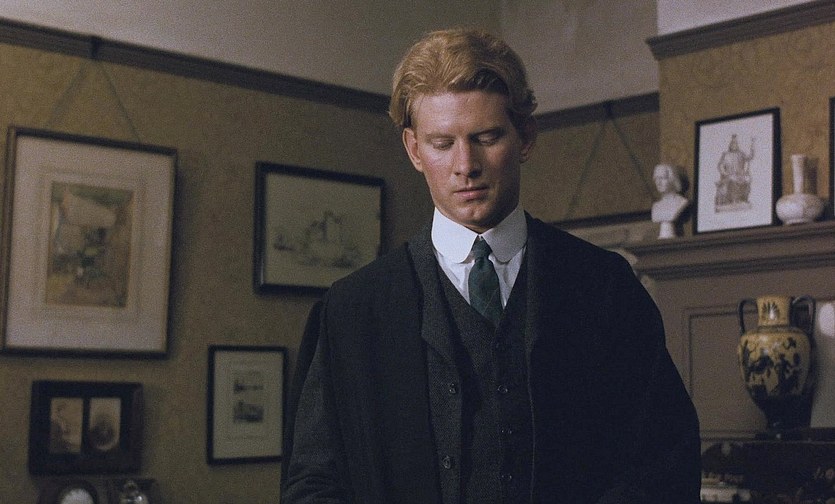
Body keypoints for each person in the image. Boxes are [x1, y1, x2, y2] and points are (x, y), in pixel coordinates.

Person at [281, 28, 701, 504]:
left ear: (525, 137)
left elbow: (665, 464)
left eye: (486, 137)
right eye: (442, 143)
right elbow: (312, 484)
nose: (466, 165)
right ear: (414, 150)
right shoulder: (352, 309)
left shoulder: (604, 287)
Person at [651, 163, 689, 239]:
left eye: (662, 178)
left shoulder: (681, 202)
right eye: (656, 179)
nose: (658, 183)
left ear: (672, 179)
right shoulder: (656, 206)